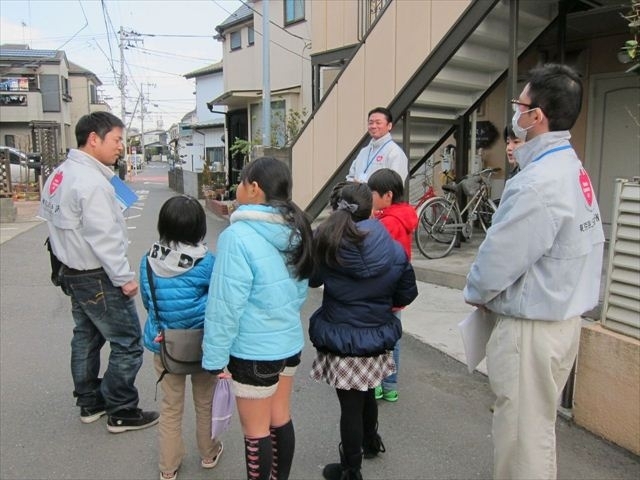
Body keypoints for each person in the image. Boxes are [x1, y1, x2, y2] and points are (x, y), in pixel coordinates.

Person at [463, 63, 605, 480]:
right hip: (560, 320)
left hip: (531, 328)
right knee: (535, 433)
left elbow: (497, 261)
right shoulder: (570, 166)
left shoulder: (537, 181)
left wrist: (476, 292)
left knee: (521, 442)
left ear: (536, 116)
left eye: (519, 105)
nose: (516, 112)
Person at [38, 111, 159, 432]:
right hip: (97, 275)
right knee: (128, 342)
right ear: (94, 139)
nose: (121, 146)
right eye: (117, 139)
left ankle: (90, 402)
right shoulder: (91, 183)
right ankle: (121, 409)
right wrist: (124, 278)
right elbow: (104, 238)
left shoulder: (60, 174)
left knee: (87, 337)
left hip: (71, 270)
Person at [202, 157, 314, 480]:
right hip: (288, 343)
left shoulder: (237, 236)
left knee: (256, 431)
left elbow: (225, 306)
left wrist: (214, 358)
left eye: (240, 181)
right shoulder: (296, 229)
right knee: (280, 417)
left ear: (254, 188)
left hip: (253, 351)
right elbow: (299, 292)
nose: (237, 187)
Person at [309, 182, 418, 480]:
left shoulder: (327, 241)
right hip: (376, 334)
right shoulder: (392, 248)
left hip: (342, 336)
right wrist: (380, 305)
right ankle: (370, 441)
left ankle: (351, 470)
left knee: (350, 405)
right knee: (367, 388)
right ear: (371, 210)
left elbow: (313, 280)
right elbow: (406, 293)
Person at [139, 195, 223, 480]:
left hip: (165, 346)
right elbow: (216, 303)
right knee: (205, 403)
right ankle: (209, 453)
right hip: (202, 345)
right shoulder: (207, 262)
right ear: (199, 227)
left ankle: (168, 467)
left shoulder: (148, 261)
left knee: (170, 407)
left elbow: (148, 302)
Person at [367, 168, 418, 403]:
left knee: (378, 338)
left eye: (372, 193)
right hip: (397, 287)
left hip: (383, 289)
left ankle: (377, 383)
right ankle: (390, 386)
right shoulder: (404, 216)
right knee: (394, 337)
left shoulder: (387, 223)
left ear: (387, 195)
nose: (370, 198)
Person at [346, 107, 409, 183]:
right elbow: (350, 177)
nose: (373, 126)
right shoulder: (363, 151)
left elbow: (395, 184)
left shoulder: (395, 152)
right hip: (357, 191)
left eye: (378, 123)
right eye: (370, 123)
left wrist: (365, 186)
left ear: (389, 126)